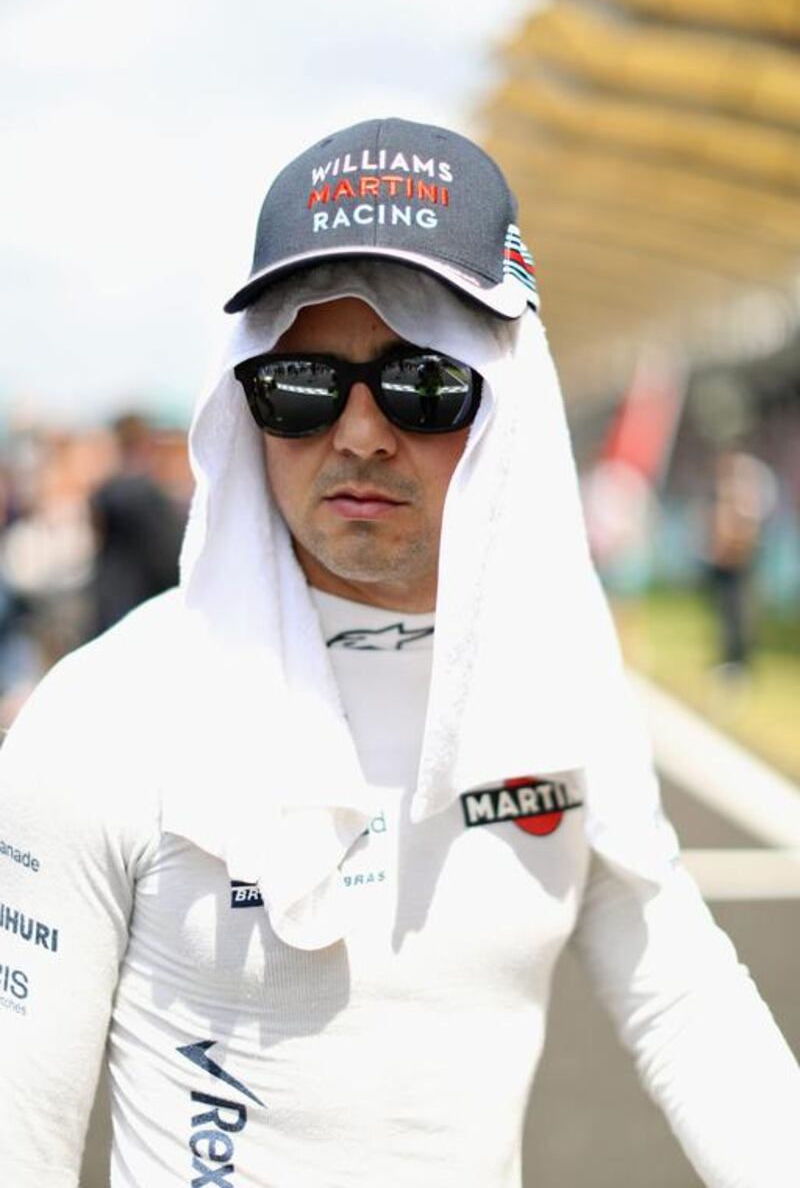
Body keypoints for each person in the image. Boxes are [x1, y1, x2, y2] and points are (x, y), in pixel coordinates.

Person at [1, 118, 798, 1188]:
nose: (361, 433)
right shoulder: (106, 717)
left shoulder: (558, 684)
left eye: (422, 381)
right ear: (245, 405)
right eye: (301, 384)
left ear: (505, 402)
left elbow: (681, 999)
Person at [86, 413, 185, 638]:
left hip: (110, 609)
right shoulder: (144, 495)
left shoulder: (104, 494)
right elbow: (170, 561)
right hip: (141, 610)